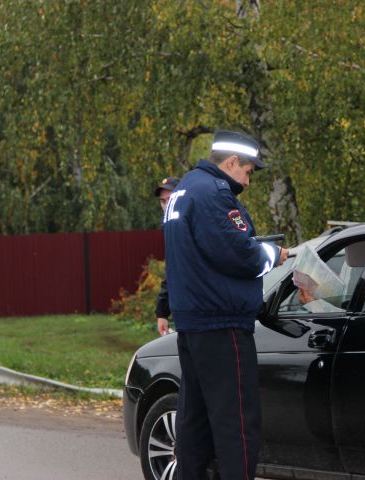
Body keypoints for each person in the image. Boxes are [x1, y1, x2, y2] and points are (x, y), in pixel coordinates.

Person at [162, 130, 289, 480]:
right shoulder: (214, 195)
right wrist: (274, 255)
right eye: (247, 172)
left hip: (191, 324)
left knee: (195, 423)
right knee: (237, 426)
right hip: (222, 325)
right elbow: (240, 253)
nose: (247, 182)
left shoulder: (184, 191)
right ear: (231, 162)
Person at [154, 176, 180, 336]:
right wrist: (162, 312)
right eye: (163, 201)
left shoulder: (187, 225)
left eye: (170, 199)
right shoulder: (169, 227)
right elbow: (172, 269)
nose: (166, 205)